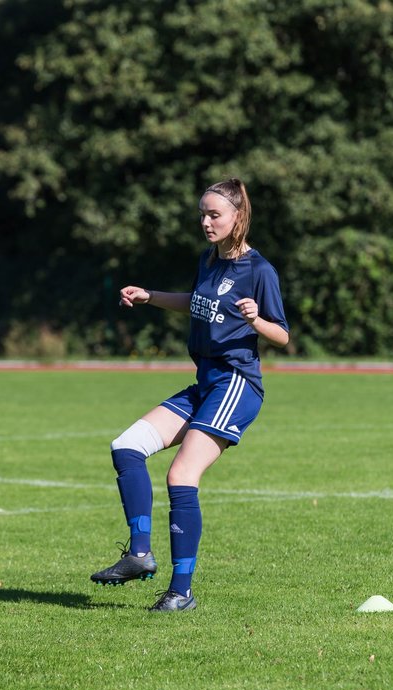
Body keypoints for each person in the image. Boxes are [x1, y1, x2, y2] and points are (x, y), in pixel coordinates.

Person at [91, 177, 290, 612]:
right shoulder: (209, 261)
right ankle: (139, 555)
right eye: (202, 213)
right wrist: (150, 297)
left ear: (238, 216)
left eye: (214, 214)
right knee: (126, 446)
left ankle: (181, 593)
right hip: (205, 382)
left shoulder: (259, 270)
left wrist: (257, 320)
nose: (205, 221)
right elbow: (196, 302)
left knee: (181, 476)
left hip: (237, 384)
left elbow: (282, 335)